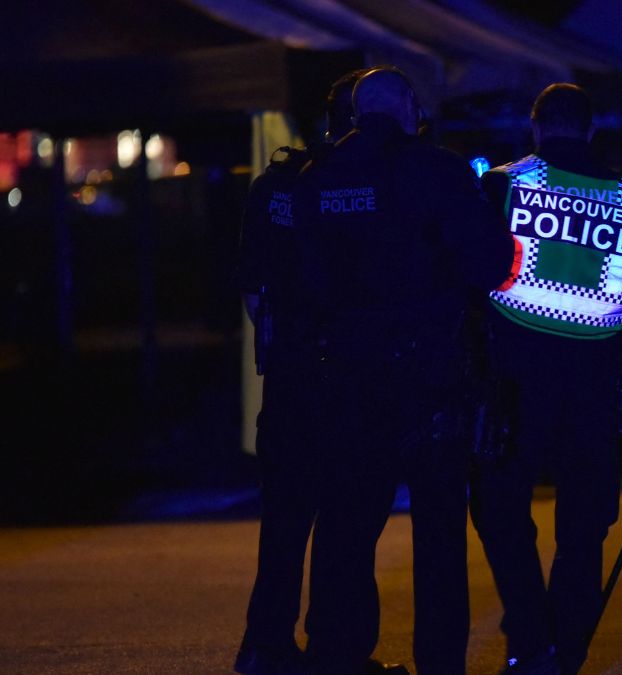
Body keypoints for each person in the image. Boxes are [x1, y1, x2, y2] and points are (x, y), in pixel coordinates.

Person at [291, 66, 516, 675]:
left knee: (345, 528)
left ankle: (337, 656)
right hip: (431, 378)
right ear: (411, 108)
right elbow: (491, 263)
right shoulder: (438, 169)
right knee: (438, 536)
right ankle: (439, 663)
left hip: (349, 377)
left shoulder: (317, 177)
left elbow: (306, 281)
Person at [469, 83, 622, 675]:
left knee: (499, 507)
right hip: (595, 377)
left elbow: (472, 268)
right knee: (584, 524)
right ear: (591, 130)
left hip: (513, 377)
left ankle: (530, 636)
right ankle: (568, 649)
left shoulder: (506, 184)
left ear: (536, 126)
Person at [234, 68, 366, 675]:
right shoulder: (364, 184)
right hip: (349, 380)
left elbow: (252, 286)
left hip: (289, 377)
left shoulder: (275, 184)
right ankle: (332, 652)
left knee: (284, 526)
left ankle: (266, 646)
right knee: (344, 524)